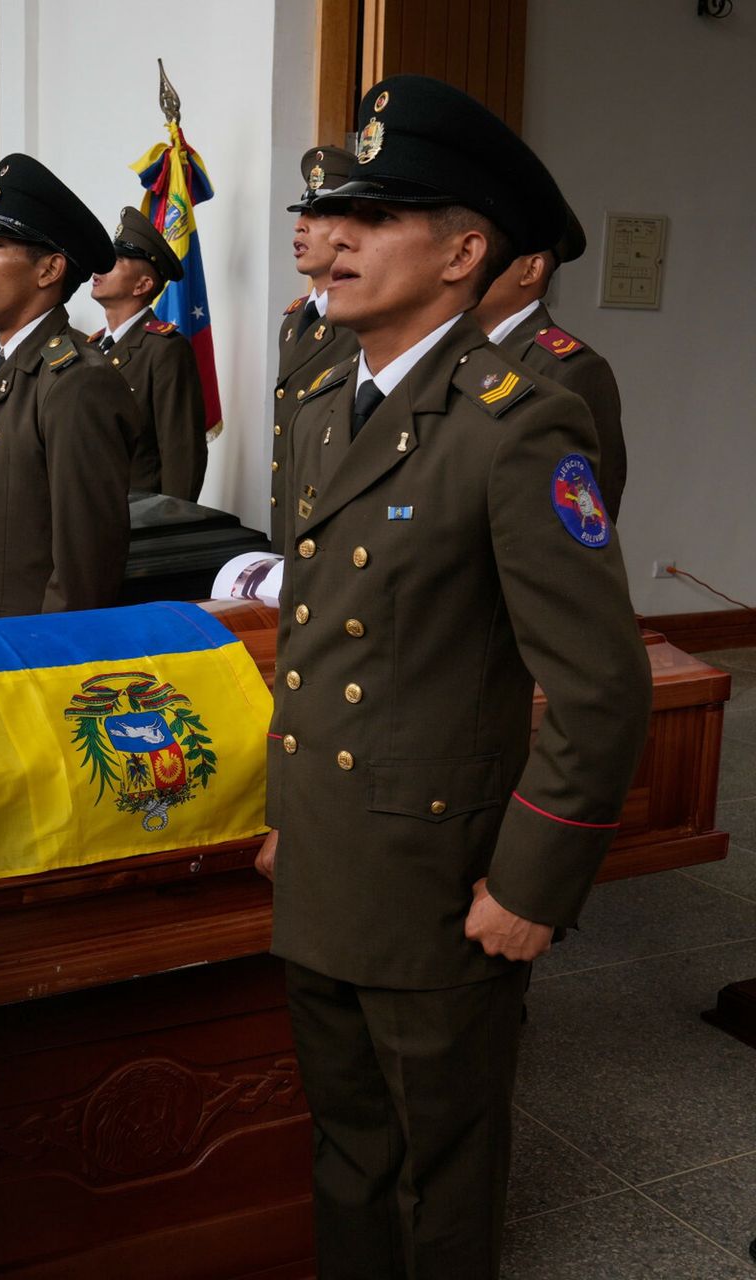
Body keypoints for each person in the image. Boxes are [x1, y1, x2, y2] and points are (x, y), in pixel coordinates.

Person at [257, 75, 651, 1280]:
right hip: (332, 847)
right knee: (346, 1141)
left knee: (442, 1160)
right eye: (338, 219)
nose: (333, 243)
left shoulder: (515, 420)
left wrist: (532, 881)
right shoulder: (332, 396)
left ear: (463, 252)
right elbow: (325, 639)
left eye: (374, 220)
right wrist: (292, 820)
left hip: (440, 871)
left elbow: (599, 687)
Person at [0, 154, 141, 621]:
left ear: (49, 270)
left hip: (30, 655)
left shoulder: (77, 382)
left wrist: (46, 667)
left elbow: (83, 573)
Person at [473, 208, 627, 516]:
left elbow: (586, 515)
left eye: (481, 253)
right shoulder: (452, 349)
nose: (461, 264)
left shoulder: (572, 370)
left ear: (531, 270)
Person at [273, 145, 361, 547]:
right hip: (290, 525)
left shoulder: (364, 321)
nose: (300, 227)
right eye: (301, 215)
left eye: (320, 213)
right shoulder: (295, 321)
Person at [88, 207, 207, 500]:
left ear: (143, 285)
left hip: (139, 521)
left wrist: (172, 528)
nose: (98, 268)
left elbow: (182, 454)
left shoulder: (165, 349)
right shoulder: (91, 347)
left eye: (113, 261)